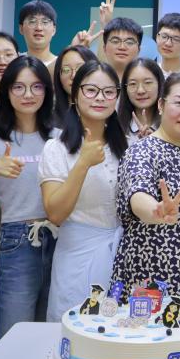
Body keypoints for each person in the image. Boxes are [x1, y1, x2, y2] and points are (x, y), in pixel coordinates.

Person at [110, 73, 180, 299]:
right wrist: (157, 210)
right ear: (161, 105)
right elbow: (138, 196)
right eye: (179, 103)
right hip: (152, 275)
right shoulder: (142, 151)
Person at [0, 56, 57, 341]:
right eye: (19, 87)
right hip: (18, 241)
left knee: (52, 336)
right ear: (6, 91)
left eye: (36, 87)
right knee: (13, 336)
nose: (28, 94)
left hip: (62, 239)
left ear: (47, 91)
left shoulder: (60, 138)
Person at [41, 61, 128, 321]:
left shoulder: (128, 147)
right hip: (77, 256)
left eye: (109, 92)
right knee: (75, 326)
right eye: (91, 90)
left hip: (122, 258)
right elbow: (55, 214)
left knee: (118, 330)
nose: (100, 98)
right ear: (74, 95)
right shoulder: (56, 149)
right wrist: (83, 163)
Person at [117, 58, 163, 143]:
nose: (140, 91)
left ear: (159, 84)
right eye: (133, 84)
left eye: (148, 83)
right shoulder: (115, 129)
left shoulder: (170, 128)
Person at [52, 45, 97, 122]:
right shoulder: (49, 121)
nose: (73, 76)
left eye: (80, 68)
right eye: (66, 70)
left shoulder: (108, 116)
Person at [17, 0, 59, 67]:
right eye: (32, 22)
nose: (39, 28)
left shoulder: (62, 65)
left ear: (54, 30)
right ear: (21, 28)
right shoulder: (13, 62)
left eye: (45, 22)